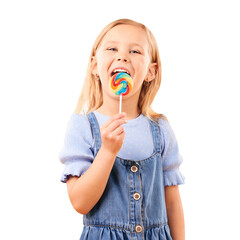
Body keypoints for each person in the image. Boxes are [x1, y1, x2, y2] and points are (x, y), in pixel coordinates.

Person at [58, 18, 185, 240]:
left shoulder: (161, 129)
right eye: (112, 48)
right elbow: (80, 202)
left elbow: (172, 202)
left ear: (151, 72)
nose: (122, 56)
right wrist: (107, 151)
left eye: (135, 51)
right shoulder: (84, 126)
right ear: (95, 65)